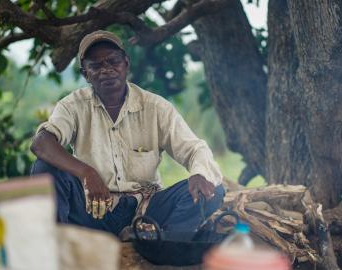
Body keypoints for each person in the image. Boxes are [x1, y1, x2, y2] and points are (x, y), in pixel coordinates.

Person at [30, 30, 225, 236]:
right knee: (44, 168)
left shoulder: (155, 107)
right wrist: (87, 173)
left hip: (147, 210)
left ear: (126, 63)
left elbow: (195, 149)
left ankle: (158, 239)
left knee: (213, 190)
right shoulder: (73, 106)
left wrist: (198, 174)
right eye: (95, 66)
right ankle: (55, 245)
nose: (106, 70)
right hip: (94, 210)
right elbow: (41, 143)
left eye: (113, 61)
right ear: (85, 74)